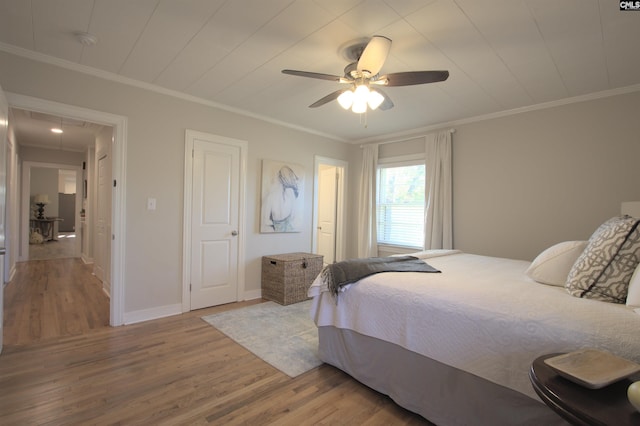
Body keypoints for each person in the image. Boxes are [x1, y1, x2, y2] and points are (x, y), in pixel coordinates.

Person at [262, 165, 300, 232]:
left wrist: (276, 224)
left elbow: (266, 221)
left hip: (277, 231)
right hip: (290, 232)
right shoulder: (291, 195)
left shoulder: (270, 196)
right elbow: (293, 217)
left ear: (279, 178)